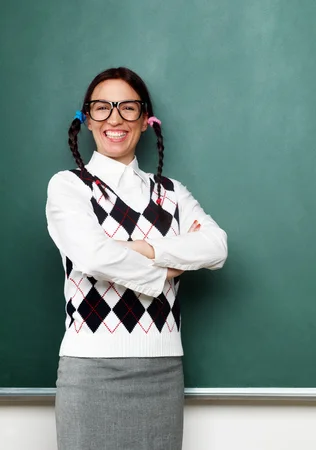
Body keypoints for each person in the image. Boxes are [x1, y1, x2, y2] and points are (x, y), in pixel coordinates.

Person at [45, 67, 228, 450]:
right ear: (86, 119)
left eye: (128, 108)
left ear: (145, 121)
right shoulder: (69, 186)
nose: (115, 118)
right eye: (102, 108)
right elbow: (94, 258)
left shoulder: (172, 192)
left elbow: (215, 246)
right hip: (90, 371)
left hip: (162, 369)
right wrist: (168, 271)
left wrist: (142, 249)